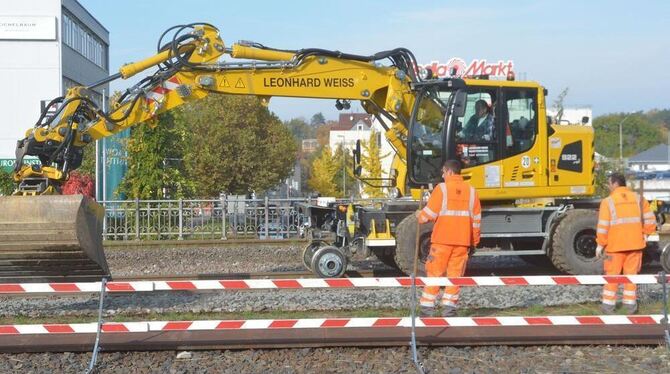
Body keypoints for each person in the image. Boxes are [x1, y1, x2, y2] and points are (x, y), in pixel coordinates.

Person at [415, 159, 482, 317]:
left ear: (449, 172)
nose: (443, 175)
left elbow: (429, 214)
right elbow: (477, 220)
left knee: (434, 274)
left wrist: (420, 216)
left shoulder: (442, 189)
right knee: (455, 276)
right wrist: (474, 241)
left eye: (443, 172)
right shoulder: (471, 191)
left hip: (442, 242)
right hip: (462, 242)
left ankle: (427, 308)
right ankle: (449, 309)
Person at [596, 172, 656, 314]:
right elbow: (650, 220)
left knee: (612, 276)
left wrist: (600, 245)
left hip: (614, 248)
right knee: (631, 276)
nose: (609, 186)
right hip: (635, 245)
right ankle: (630, 306)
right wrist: (645, 234)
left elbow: (603, 226)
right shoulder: (639, 199)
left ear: (615, 183)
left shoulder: (608, 202)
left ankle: (608, 307)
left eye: (609, 183)